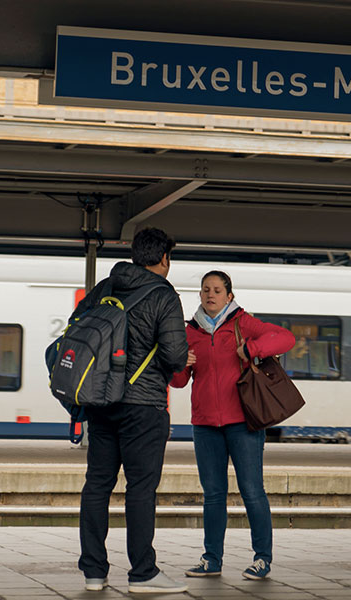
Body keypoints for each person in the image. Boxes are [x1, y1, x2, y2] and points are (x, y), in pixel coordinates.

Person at [75, 227, 189, 594]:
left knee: (97, 485)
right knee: (140, 489)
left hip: (101, 401)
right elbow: (173, 357)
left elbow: (77, 326)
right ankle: (143, 573)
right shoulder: (163, 295)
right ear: (164, 258)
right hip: (143, 406)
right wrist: (184, 356)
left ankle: (94, 571)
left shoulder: (106, 287)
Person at [170, 270, 294, 581]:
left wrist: (252, 349)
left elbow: (285, 337)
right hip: (205, 424)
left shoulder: (242, 323)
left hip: (244, 423)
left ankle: (262, 558)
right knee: (213, 495)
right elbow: (179, 382)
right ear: (200, 295)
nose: (210, 294)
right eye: (205, 290)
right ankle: (212, 559)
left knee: (252, 491)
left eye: (216, 290)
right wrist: (179, 364)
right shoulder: (189, 332)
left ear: (229, 296)